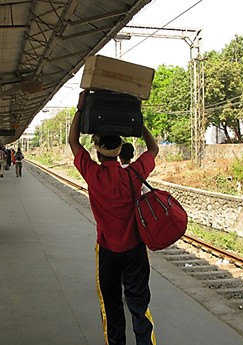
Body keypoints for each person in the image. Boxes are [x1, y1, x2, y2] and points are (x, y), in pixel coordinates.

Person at [68, 90, 159, 345]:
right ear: (120, 151)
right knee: (139, 304)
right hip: (135, 250)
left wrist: (79, 108)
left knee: (111, 306)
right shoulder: (134, 174)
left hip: (108, 251)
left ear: (97, 151)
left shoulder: (93, 175)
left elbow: (73, 142)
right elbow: (153, 148)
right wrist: (139, 124)